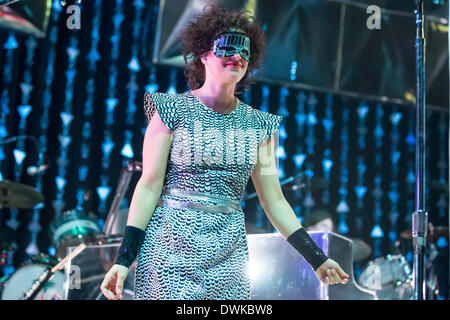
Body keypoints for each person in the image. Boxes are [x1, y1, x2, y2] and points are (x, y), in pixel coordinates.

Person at [100, 5, 349, 300]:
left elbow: (275, 202)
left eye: (245, 52)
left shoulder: (261, 126)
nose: (238, 56)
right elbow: (149, 185)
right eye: (228, 47)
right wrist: (124, 260)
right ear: (204, 54)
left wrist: (316, 258)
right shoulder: (170, 110)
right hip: (170, 248)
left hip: (228, 253)